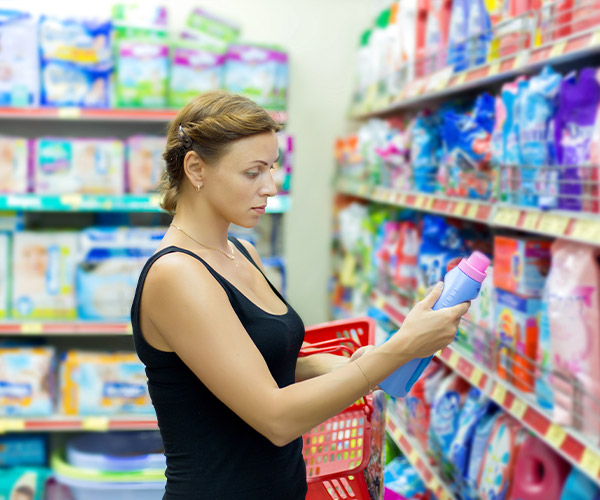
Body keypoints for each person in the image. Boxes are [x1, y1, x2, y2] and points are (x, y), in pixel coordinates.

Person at [131, 90, 469, 500]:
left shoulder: (241, 252)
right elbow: (275, 417)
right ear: (196, 168)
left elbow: (257, 364)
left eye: (272, 168)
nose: (271, 187)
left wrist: (338, 366)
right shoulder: (177, 274)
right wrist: (398, 351)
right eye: (253, 172)